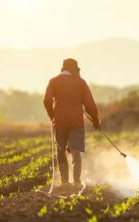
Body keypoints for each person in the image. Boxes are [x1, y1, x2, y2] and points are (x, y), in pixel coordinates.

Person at [43, 58, 100, 189]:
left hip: (60, 121)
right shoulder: (80, 82)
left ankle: (64, 181)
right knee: (75, 151)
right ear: (74, 70)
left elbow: (46, 100)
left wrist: (52, 115)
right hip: (76, 122)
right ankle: (77, 181)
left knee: (61, 149)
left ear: (63, 68)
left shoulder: (53, 81)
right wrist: (95, 119)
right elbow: (89, 104)